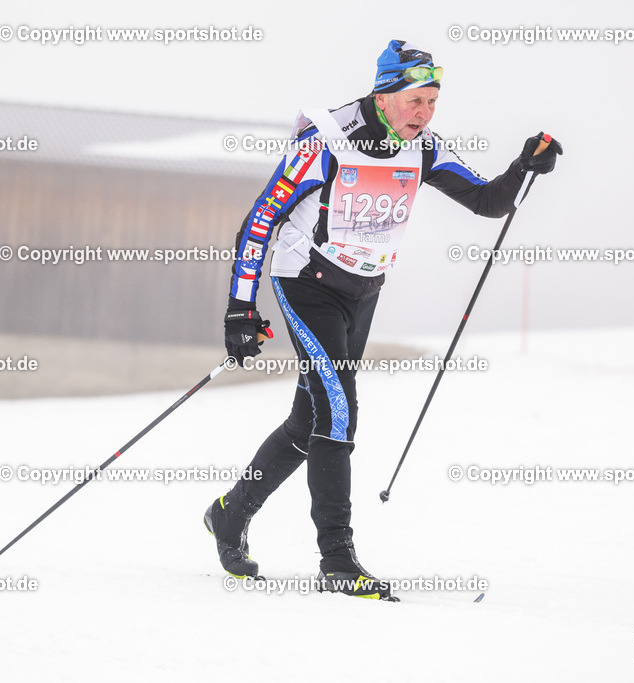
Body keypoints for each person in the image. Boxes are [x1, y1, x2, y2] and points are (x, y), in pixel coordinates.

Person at [205, 39, 562, 601]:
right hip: (306, 283)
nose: (424, 113)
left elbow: (488, 203)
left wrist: (524, 167)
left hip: (362, 292)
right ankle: (337, 561)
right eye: (416, 100)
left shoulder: (422, 149)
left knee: (310, 422)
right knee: (340, 411)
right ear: (385, 93)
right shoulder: (327, 140)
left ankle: (229, 515)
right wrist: (240, 308)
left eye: (433, 103)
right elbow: (260, 220)